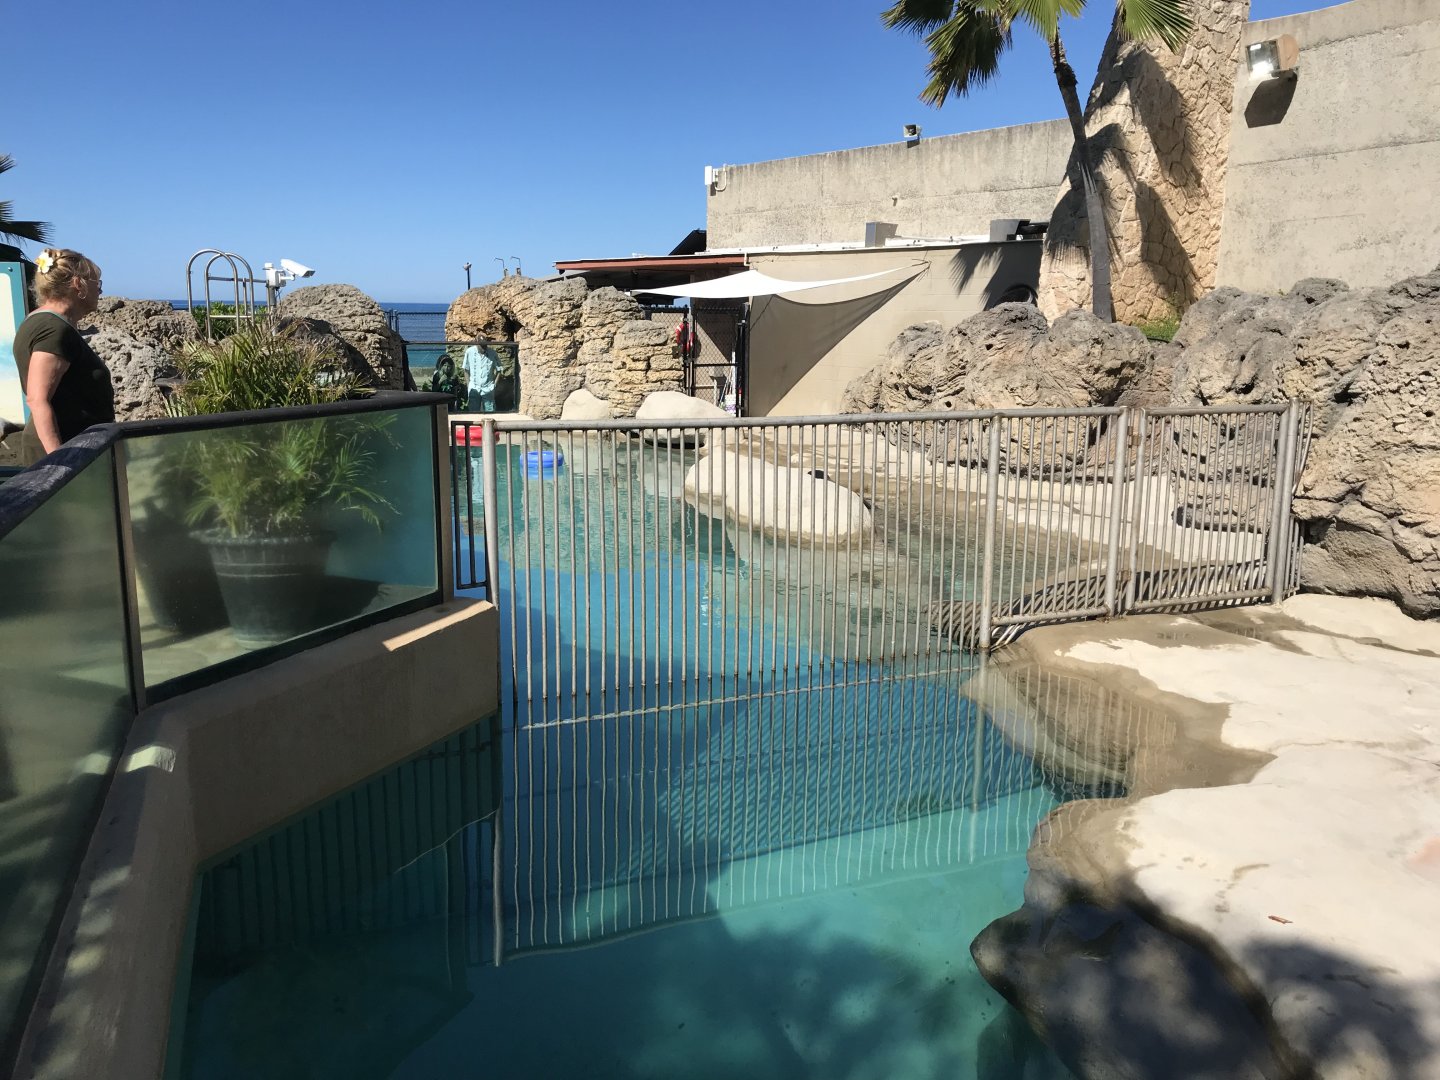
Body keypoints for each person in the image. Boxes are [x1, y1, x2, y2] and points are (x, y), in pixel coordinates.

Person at [12, 248, 113, 465]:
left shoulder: (40, 321)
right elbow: (37, 399)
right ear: (79, 284)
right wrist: (60, 464)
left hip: (71, 445)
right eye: (98, 283)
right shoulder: (54, 328)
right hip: (63, 449)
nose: (100, 291)